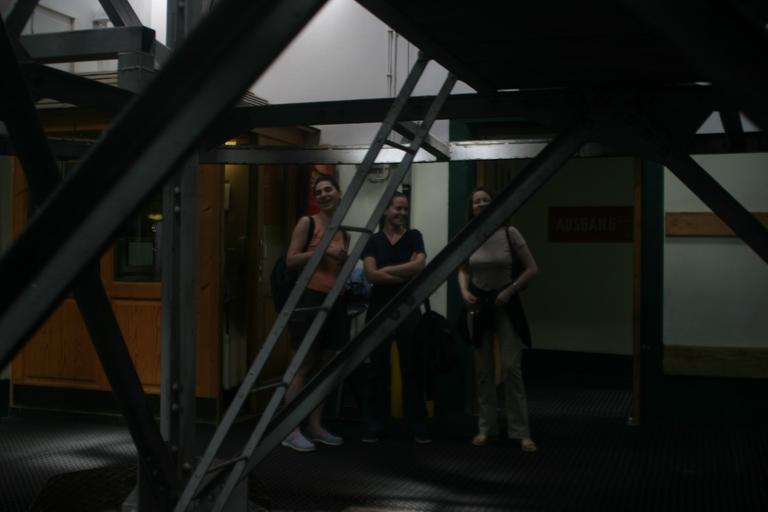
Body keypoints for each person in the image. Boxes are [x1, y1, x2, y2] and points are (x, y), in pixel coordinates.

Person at [457, 186, 539, 452]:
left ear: (495, 204)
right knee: (483, 371)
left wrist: (509, 291)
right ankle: (486, 429)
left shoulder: (509, 233)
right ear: (471, 208)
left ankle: (521, 432)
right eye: (476, 201)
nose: (481, 204)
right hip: (479, 306)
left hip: (506, 304)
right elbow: (463, 269)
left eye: (486, 200)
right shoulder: (469, 235)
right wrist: (464, 291)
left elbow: (532, 268)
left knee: (511, 368)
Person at [281, 175, 349, 452]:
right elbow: (291, 260)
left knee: (325, 365)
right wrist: (325, 250)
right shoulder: (307, 223)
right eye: (318, 192)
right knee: (303, 364)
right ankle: (290, 430)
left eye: (328, 189)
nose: (323, 195)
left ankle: (315, 426)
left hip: (334, 300)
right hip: (309, 298)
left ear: (339, 193)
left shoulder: (343, 229)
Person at [360, 192, 431, 444]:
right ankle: (375, 426)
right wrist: (404, 275)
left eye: (405, 209)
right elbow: (370, 275)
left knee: (411, 368)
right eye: (397, 208)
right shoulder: (373, 241)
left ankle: (418, 427)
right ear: (385, 210)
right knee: (377, 369)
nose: (402, 213)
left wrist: (386, 270)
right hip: (378, 308)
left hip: (408, 308)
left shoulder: (414, 236)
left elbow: (419, 267)